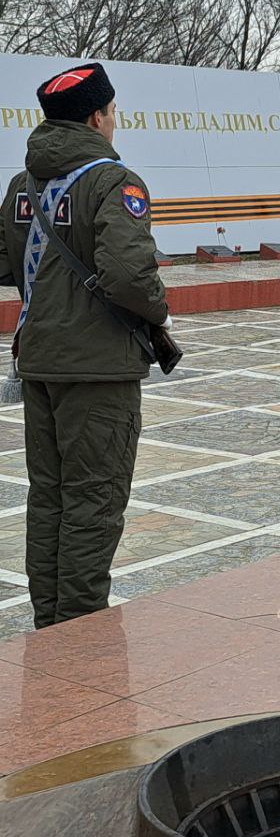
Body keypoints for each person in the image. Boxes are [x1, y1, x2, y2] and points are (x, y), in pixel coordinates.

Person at [0, 63, 170, 628]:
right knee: (93, 501)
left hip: (40, 363)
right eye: (113, 112)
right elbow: (127, 275)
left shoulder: (22, 187)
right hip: (98, 369)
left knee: (49, 496)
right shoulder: (112, 182)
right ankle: (79, 628)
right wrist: (158, 309)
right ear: (97, 117)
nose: (114, 122)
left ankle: (50, 622)